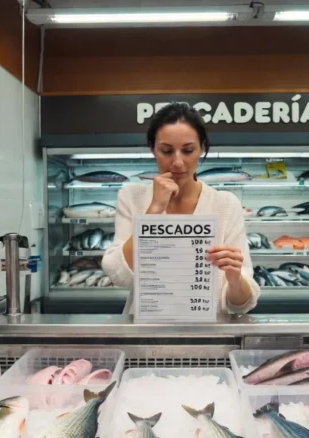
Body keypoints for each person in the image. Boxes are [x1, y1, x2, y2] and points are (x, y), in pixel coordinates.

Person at [102, 102, 260, 315]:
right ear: (152, 149)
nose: (177, 162)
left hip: (209, 338)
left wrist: (234, 279)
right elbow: (118, 275)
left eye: (188, 150)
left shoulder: (225, 204)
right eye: (166, 151)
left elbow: (240, 305)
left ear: (202, 148)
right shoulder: (133, 196)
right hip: (146, 336)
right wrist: (155, 209)